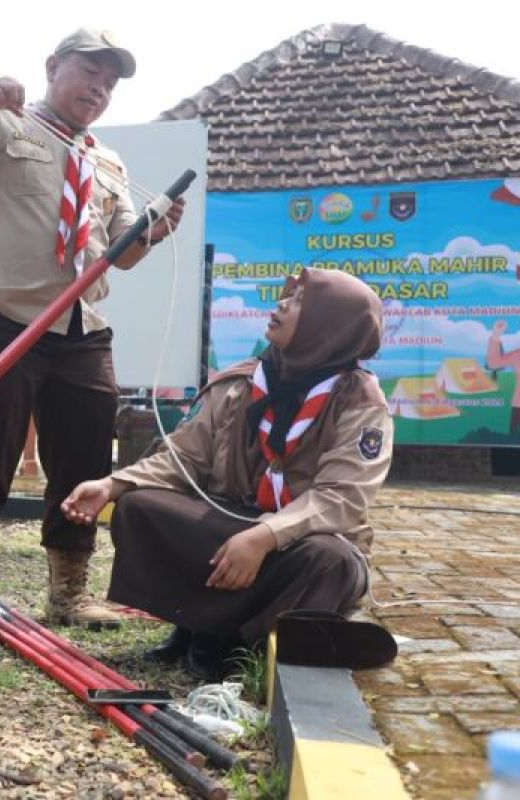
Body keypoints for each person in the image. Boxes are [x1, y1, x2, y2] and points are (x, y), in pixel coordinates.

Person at [0, 29, 185, 653]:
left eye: (110, 83)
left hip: (83, 326)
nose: (99, 88)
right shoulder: (3, 126)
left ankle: (68, 590)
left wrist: (154, 231)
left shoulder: (107, 162)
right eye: (89, 72)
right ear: (53, 66)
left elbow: (123, 255)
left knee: (85, 458)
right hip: (6, 317)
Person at [61, 268, 393, 679]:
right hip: (230, 522)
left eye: (300, 302)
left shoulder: (358, 400)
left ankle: (231, 639)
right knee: (138, 507)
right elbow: (182, 459)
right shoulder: (240, 382)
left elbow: (342, 498)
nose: (281, 305)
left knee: (332, 562)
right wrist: (112, 484)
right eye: (286, 297)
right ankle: (210, 627)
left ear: (329, 326)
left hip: (300, 539)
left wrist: (263, 536)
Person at [487, 319, 520, 434]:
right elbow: (494, 363)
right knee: (512, 442)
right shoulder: (518, 354)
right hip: (518, 407)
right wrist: (496, 334)